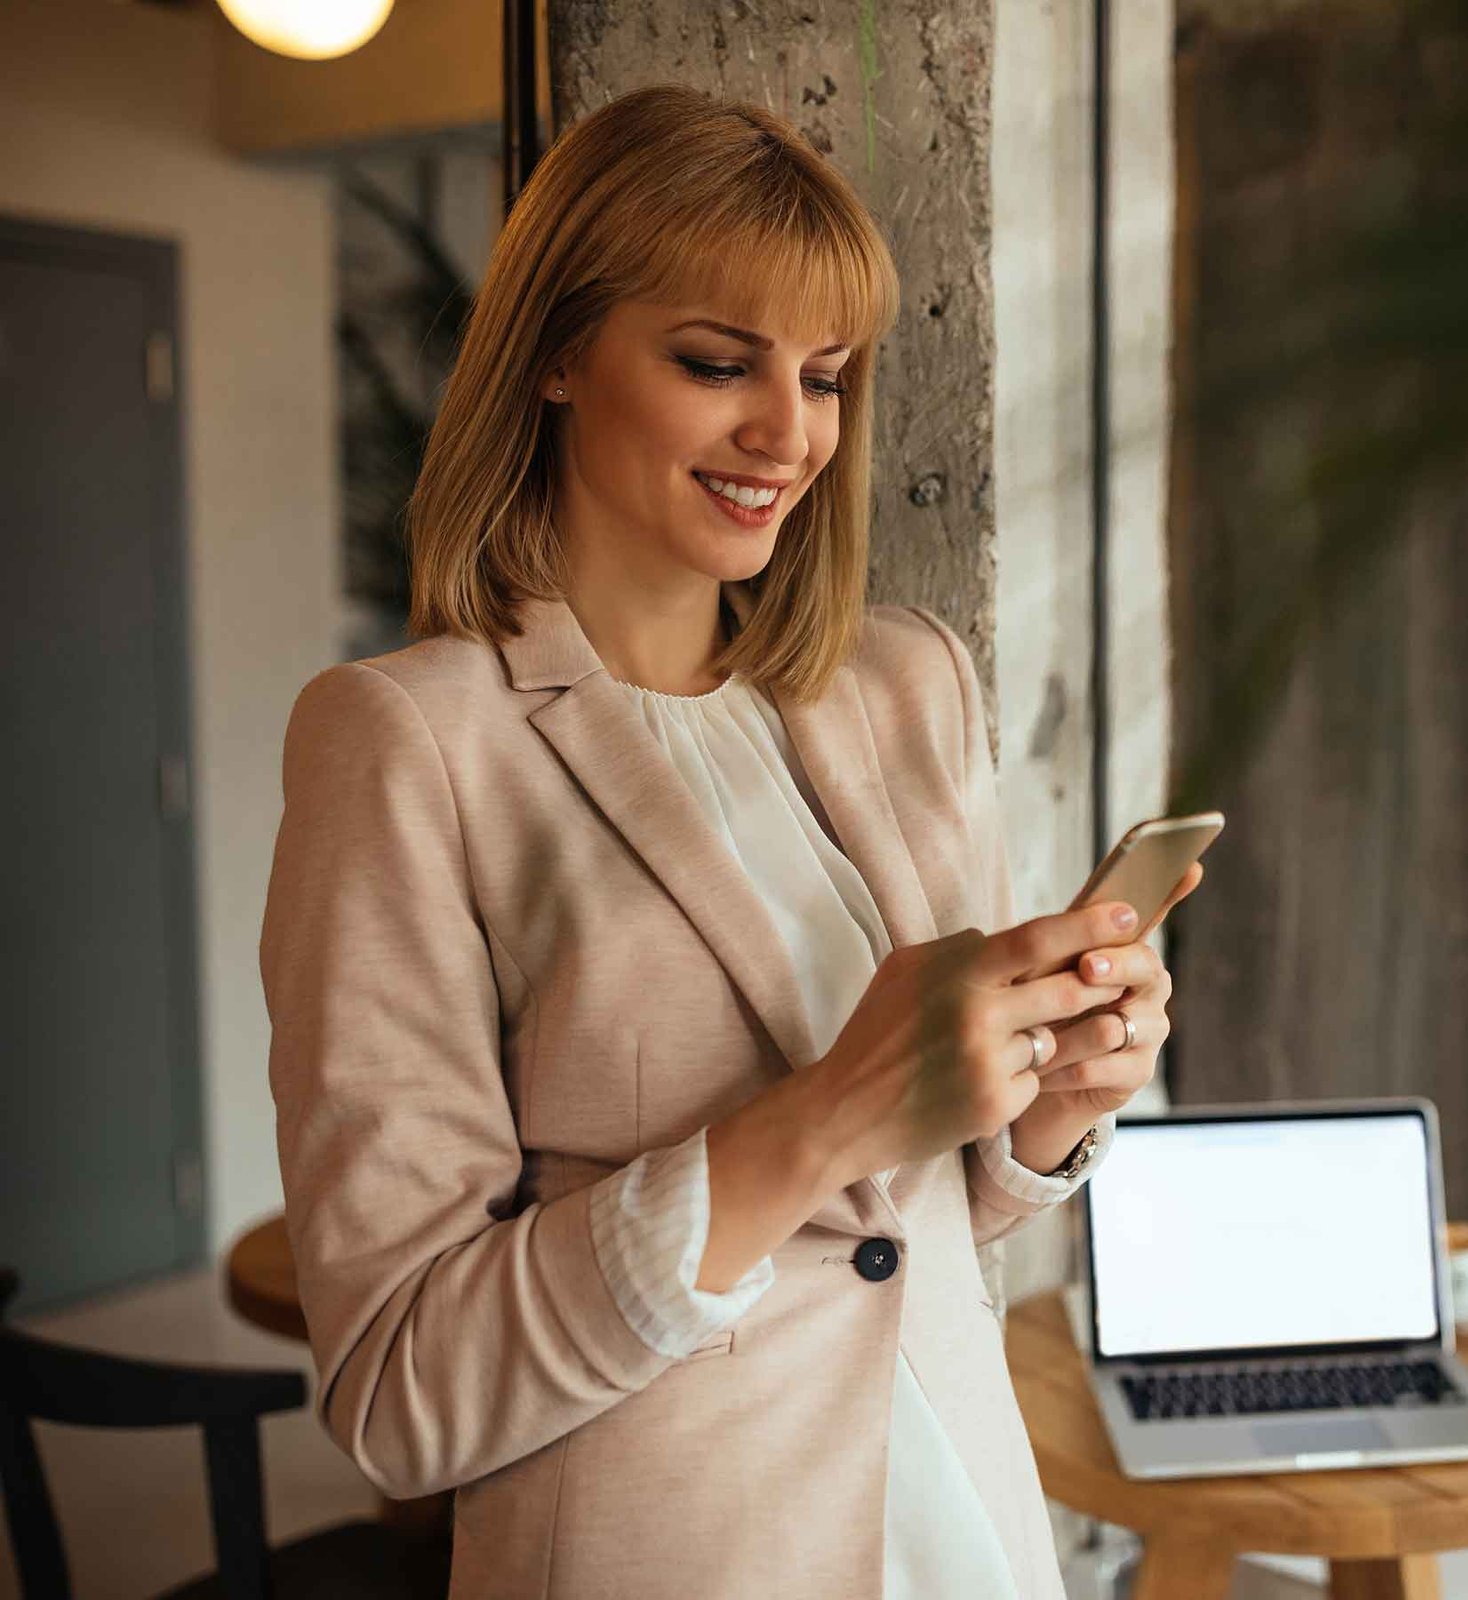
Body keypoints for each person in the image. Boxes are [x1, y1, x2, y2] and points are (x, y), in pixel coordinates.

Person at [259, 82, 1198, 1599]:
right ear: (558, 351)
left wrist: (1046, 1104)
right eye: (716, 363)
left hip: (966, 1530)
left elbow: (929, 1224)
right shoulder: (408, 746)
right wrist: (817, 1119)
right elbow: (399, 1392)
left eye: (826, 376)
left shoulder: (907, 684)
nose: (790, 432)